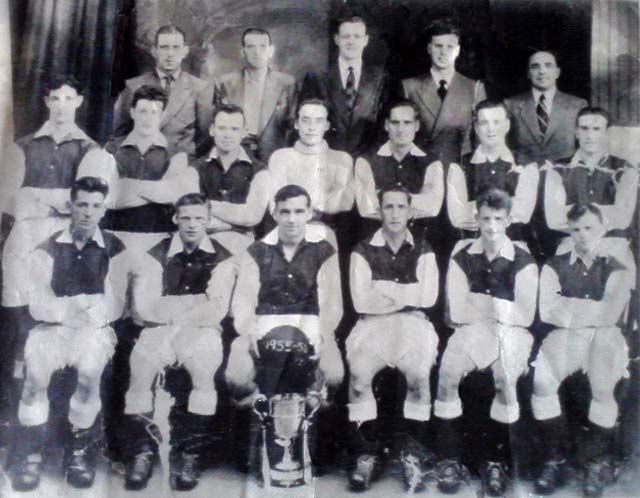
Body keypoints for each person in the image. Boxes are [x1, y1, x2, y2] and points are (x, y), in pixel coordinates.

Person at [1, 76, 114, 418]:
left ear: (79, 101)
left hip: (63, 243)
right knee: (18, 315)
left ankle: (65, 420)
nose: (61, 105)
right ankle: (17, 411)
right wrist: (51, 200)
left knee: (60, 318)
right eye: (55, 98)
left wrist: (33, 195)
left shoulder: (92, 150)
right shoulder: (21, 147)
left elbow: (85, 201)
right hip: (22, 240)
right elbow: (8, 201)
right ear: (46, 101)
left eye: (69, 98)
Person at [8, 177, 127, 491]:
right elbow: (38, 304)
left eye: (95, 206)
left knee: (89, 375)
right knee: (34, 380)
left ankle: (79, 452)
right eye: (82, 204)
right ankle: (29, 455)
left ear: (103, 210)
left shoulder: (115, 248)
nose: (88, 212)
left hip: (94, 331)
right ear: (70, 206)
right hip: (51, 329)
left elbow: (114, 304)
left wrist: (79, 309)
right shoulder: (47, 247)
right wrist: (74, 307)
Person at [122, 193, 235, 491]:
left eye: (199, 218)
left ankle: (190, 455)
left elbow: (217, 309)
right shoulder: (153, 253)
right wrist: (195, 301)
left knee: (203, 373)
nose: (192, 225)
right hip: (159, 329)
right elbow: (145, 308)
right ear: (175, 219)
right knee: (139, 374)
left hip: (202, 331)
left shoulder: (223, 258)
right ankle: (142, 453)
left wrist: (173, 305)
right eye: (185, 217)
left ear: (209, 220)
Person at [433, 188, 538, 496]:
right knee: (448, 373)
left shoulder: (523, 259)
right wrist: (495, 305)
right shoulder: (462, 256)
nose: (492, 227)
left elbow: (526, 315)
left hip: (513, 331)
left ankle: (497, 461)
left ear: (508, 221)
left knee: (504, 377)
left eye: (498, 219)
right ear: (476, 218)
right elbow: (458, 309)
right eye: (486, 219)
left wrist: (485, 302)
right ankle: (450, 461)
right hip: (473, 328)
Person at [532, 203, 634, 498]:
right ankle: (557, 458)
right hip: (565, 335)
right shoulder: (555, 264)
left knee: (602, 386)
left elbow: (610, 315)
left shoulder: (618, 265)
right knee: (542, 383)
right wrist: (590, 309)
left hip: (604, 335)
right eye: (575, 229)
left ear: (602, 228)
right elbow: (548, 311)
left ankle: (595, 462)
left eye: (589, 228)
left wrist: (572, 307)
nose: (582, 235)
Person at [346, 185, 439, 492]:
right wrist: (406, 294)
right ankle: (366, 454)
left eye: (401, 207)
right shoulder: (362, 249)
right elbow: (360, 301)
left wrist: (383, 289)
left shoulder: (424, 248)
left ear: (411, 212)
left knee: (418, 375)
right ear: (379, 211)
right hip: (373, 324)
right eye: (389, 207)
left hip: (413, 323)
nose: (395, 213)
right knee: (359, 377)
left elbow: (427, 298)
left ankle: (412, 456)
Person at [225, 184, 344, 398]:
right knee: (236, 377)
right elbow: (243, 301)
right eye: (285, 212)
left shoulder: (324, 250)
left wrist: (323, 335)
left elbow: (332, 303)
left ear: (309, 213)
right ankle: (261, 407)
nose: (292, 219)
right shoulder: (256, 251)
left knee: (334, 375)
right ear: (274, 214)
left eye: (299, 212)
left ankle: (304, 413)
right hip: (264, 324)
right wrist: (249, 332)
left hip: (310, 325)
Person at [102, 84, 200, 250]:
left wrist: (125, 185)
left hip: (160, 238)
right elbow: (106, 197)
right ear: (133, 112)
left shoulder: (177, 153)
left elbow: (173, 195)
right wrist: (157, 191)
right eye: (143, 112)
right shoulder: (112, 148)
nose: (148, 119)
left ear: (163, 115)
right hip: (113, 234)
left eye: (154, 112)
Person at [112, 25, 214, 157]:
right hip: (142, 165)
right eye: (164, 47)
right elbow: (120, 133)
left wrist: (187, 160)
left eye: (176, 48)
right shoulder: (133, 86)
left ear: (185, 51)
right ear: (154, 51)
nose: (170, 54)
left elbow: (205, 138)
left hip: (180, 165)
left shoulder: (200, 88)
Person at [446, 100, 538, 240]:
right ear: (476, 128)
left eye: (496, 122)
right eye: (484, 123)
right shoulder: (459, 166)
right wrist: (508, 206)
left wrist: (476, 209)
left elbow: (523, 214)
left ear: (506, 125)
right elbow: (458, 217)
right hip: (471, 243)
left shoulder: (527, 164)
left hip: (514, 244)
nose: (490, 129)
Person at [544, 107, 638, 245]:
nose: (590, 136)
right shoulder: (557, 169)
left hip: (613, 244)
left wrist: (574, 212)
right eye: (584, 128)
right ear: (576, 132)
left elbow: (623, 218)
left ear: (606, 133)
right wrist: (607, 211)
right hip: (572, 243)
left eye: (597, 129)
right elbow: (554, 219)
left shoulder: (624, 169)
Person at [300, 16, 390, 156]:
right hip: (326, 157)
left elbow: (385, 123)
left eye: (357, 36)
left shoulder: (380, 77)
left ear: (366, 40)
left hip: (367, 158)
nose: (351, 42)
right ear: (337, 39)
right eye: (345, 36)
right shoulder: (317, 76)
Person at [354, 99, 444, 241]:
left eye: (407, 123)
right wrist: (414, 202)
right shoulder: (366, 160)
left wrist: (383, 199)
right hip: (376, 240)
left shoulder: (432, 162)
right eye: (395, 123)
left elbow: (433, 207)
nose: (400, 129)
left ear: (416, 126)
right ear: (386, 125)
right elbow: (366, 208)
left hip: (418, 239)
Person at [402, 17, 486, 166]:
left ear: (458, 50)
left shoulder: (474, 88)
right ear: (429, 48)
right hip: (420, 168)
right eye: (438, 46)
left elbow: (481, 140)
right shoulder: (409, 87)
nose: (443, 52)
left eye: (449, 47)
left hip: (460, 168)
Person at [268, 98, 354, 244]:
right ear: (296, 123)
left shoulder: (341, 159)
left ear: (327, 125)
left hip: (325, 230)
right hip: (286, 227)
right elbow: (275, 202)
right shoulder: (280, 157)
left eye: (318, 121)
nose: (311, 127)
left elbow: (344, 203)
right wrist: (319, 203)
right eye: (305, 120)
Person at [193, 104, 271, 255]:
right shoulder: (195, 168)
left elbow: (252, 216)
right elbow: (191, 213)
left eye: (234, 129)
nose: (227, 135)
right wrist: (234, 223)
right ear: (212, 130)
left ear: (244, 132)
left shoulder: (260, 170)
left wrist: (206, 206)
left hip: (240, 243)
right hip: (201, 241)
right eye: (222, 128)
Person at [213, 28, 296, 162]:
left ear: (271, 50)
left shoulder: (287, 83)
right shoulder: (225, 83)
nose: (257, 52)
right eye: (251, 47)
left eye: (263, 46)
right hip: (235, 156)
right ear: (242, 51)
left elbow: (291, 126)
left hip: (274, 156)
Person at [504, 50, 589, 166]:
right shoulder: (511, 105)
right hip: (523, 176)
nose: (542, 71)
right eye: (535, 67)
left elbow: (585, 146)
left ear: (557, 72)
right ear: (528, 73)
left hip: (565, 174)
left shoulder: (577, 105)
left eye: (548, 66)